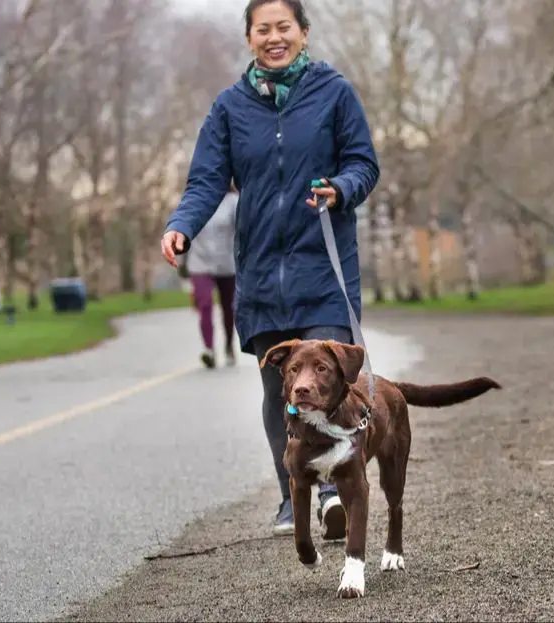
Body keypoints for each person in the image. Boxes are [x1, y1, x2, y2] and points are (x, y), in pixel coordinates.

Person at [160, 0, 379, 539]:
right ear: (250, 38)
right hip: (261, 275)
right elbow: (207, 179)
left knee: (328, 383)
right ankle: (294, 497)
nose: (274, 37)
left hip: (323, 266)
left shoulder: (334, 93)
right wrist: (182, 225)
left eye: (285, 27)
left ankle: (331, 490)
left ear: (303, 33)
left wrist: (341, 189)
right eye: (263, 30)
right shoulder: (229, 108)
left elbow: (363, 163)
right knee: (278, 393)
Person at [179, 183, 239, 368]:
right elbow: (183, 230)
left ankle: (229, 344)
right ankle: (209, 349)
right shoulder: (193, 200)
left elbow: (242, 232)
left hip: (227, 262)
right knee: (204, 304)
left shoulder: (233, 202)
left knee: (228, 307)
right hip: (200, 262)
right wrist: (182, 262)